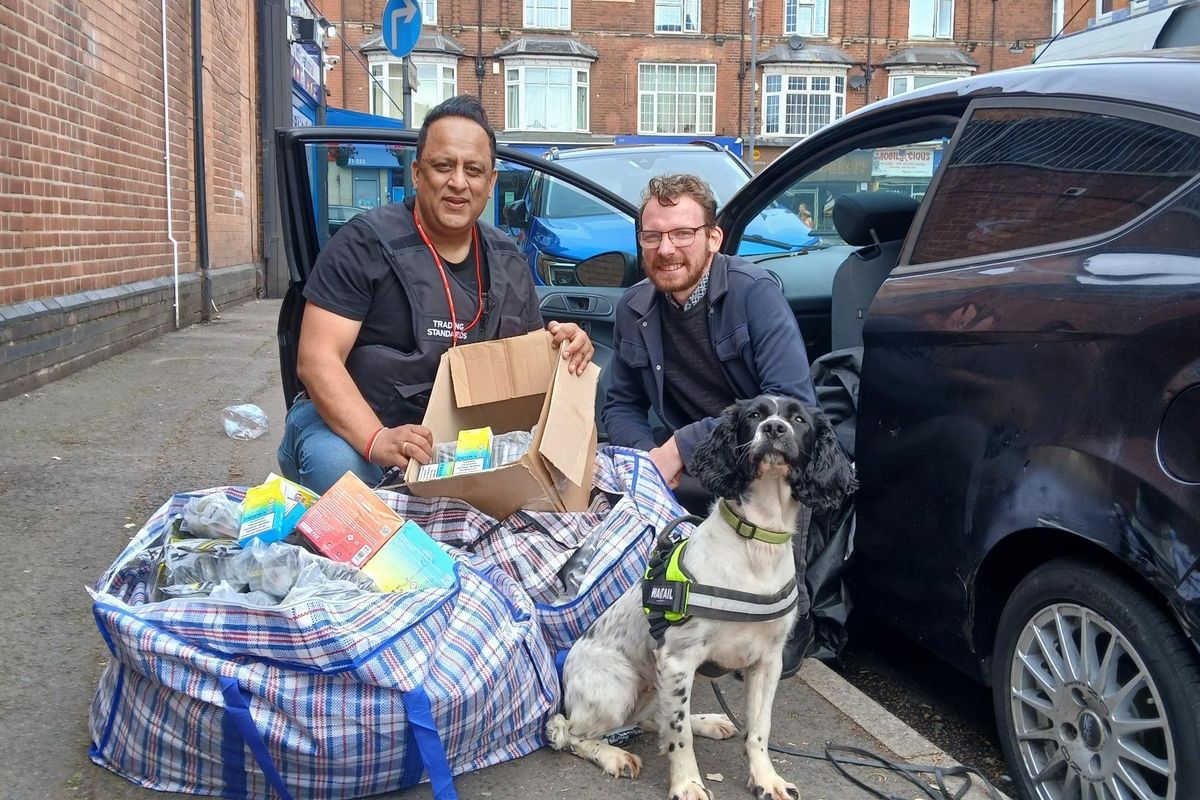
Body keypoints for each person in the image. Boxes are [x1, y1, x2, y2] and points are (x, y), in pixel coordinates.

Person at [277, 95, 593, 494]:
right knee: (337, 467)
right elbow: (316, 360)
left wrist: (564, 348)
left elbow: (524, 367)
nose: (458, 182)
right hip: (353, 429)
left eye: (473, 170)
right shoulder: (363, 243)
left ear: (491, 182)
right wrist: (376, 439)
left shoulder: (509, 261)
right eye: (443, 165)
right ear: (416, 172)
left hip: (451, 446)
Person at [602, 173, 817, 675]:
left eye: (682, 234)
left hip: (762, 468)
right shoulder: (632, 308)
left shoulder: (754, 293)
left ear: (713, 238)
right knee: (685, 634)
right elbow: (620, 406)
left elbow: (791, 402)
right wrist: (648, 465)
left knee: (770, 652)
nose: (666, 249)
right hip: (694, 472)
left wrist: (679, 445)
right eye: (652, 236)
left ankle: (793, 609)